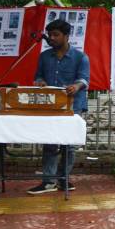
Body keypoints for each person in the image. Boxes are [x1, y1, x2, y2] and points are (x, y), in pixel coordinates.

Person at [27, 19, 90, 195]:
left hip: (73, 106)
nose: (52, 38)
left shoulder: (81, 57)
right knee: (50, 143)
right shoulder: (44, 56)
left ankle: (64, 178)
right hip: (50, 105)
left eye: (56, 35)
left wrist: (76, 86)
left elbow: (84, 79)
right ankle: (48, 182)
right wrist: (39, 82)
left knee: (69, 145)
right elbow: (38, 76)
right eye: (50, 35)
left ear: (66, 36)